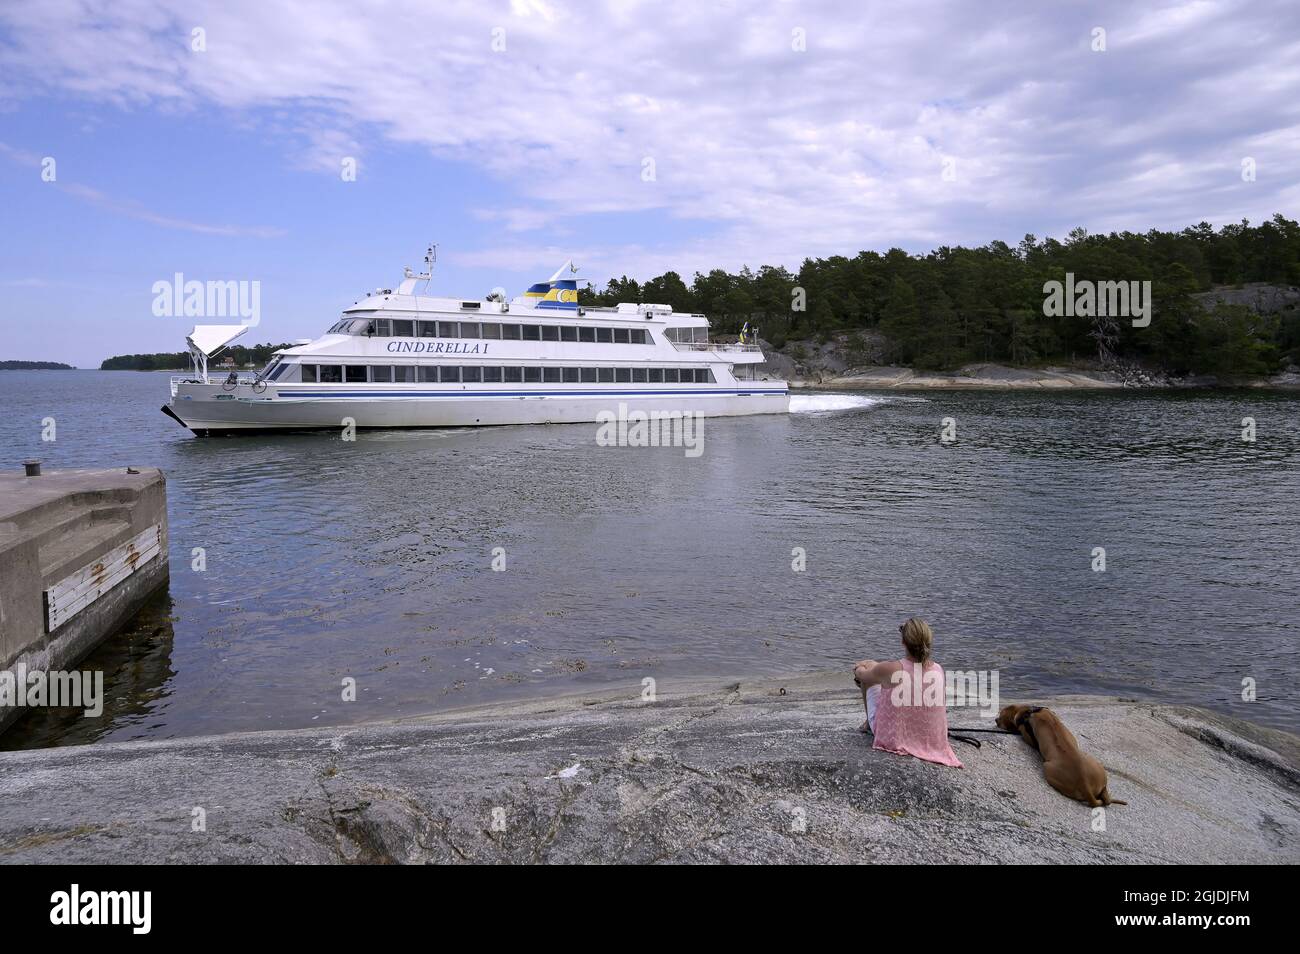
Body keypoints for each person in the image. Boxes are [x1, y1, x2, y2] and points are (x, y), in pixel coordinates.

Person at [852, 618, 962, 767]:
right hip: (929, 740)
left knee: (870, 671)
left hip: (894, 737)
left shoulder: (891, 669)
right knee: (878, 670)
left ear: (903, 642)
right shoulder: (938, 669)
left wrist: (859, 666)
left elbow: (862, 676)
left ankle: (868, 725)